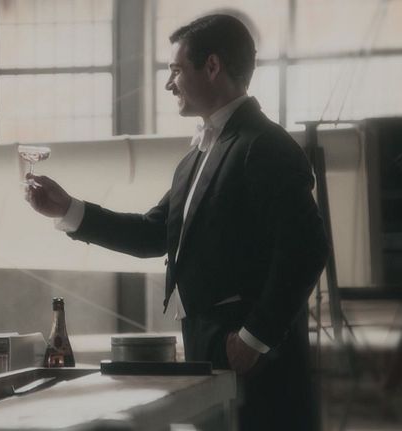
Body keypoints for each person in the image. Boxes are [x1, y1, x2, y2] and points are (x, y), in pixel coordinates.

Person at [25, 14, 329, 431]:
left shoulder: (265, 145)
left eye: (175, 70)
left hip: (256, 358)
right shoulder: (197, 157)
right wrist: (68, 209)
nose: (169, 84)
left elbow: (308, 248)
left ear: (212, 66)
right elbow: (153, 233)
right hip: (212, 348)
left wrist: (253, 338)